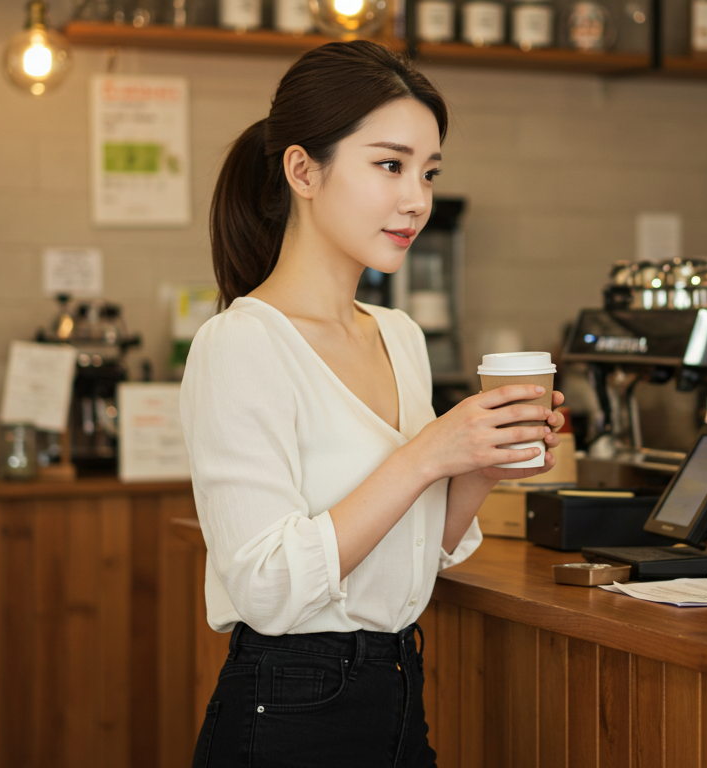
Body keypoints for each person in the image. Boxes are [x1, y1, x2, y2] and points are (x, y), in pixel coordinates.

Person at [180, 40, 565, 767]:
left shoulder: (399, 335)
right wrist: (428, 454)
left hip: (396, 691)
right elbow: (266, 587)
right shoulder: (240, 343)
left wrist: (481, 467)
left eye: (428, 172)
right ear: (303, 171)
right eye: (390, 165)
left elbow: (415, 552)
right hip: (288, 708)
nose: (416, 199)